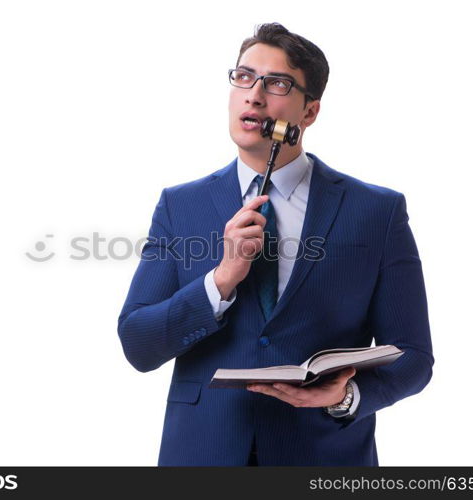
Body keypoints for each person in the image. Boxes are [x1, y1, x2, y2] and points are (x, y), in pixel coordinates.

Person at [117, 22, 433, 466]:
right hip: (203, 453)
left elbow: (414, 355)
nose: (254, 95)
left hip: (323, 455)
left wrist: (345, 397)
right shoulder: (180, 205)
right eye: (244, 77)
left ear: (309, 112)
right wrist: (221, 280)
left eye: (277, 83)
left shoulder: (375, 211)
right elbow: (138, 343)